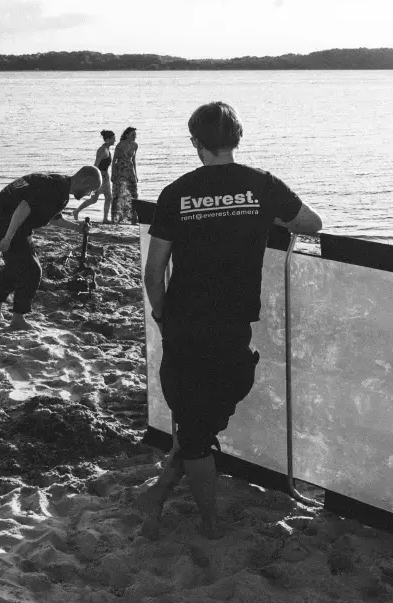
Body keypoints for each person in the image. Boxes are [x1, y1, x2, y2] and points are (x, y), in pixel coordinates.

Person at [137, 102, 322, 539]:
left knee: (195, 421)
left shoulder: (177, 192)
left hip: (184, 321)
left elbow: (153, 270)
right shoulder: (261, 185)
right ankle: (204, 519)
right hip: (233, 324)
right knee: (200, 422)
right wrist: (262, 216)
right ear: (237, 139)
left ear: (196, 143)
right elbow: (312, 224)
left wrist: (161, 316)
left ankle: (174, 503)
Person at [0, 165, 102, 329]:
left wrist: (77, 228)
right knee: (32, 269)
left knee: (15, 265)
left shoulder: (60, 188)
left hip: (9, 220)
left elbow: (54, 218)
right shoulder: (56, 189)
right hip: (6, 219)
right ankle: (18, 319)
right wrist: (8, 237)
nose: (89, 195)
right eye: (91, 190)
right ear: (85, 180)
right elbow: (23, 207)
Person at [75, 131, 116, 222]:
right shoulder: (102, 150)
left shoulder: (107, 149)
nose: (115, 140)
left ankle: (105, 218)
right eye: (113, 138)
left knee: (108, 197)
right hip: (100, 177)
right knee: (94, 199)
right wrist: (95, 179)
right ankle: (76, 211)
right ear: (107, 139)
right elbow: (96, 165)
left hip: (105, 176)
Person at [111, 127, 139, 225]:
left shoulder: (135, 145)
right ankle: (116, 218)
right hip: (120, 171)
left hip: (130, 171)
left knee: (133, 194)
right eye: (132, 135)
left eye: (135, 135)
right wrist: (113, 174)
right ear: (127, 135)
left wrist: (136, 175)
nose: (134, 137)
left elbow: (134, 161)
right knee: (119, 194)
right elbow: (114, 160)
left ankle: (132, 219)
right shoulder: (120, 145)